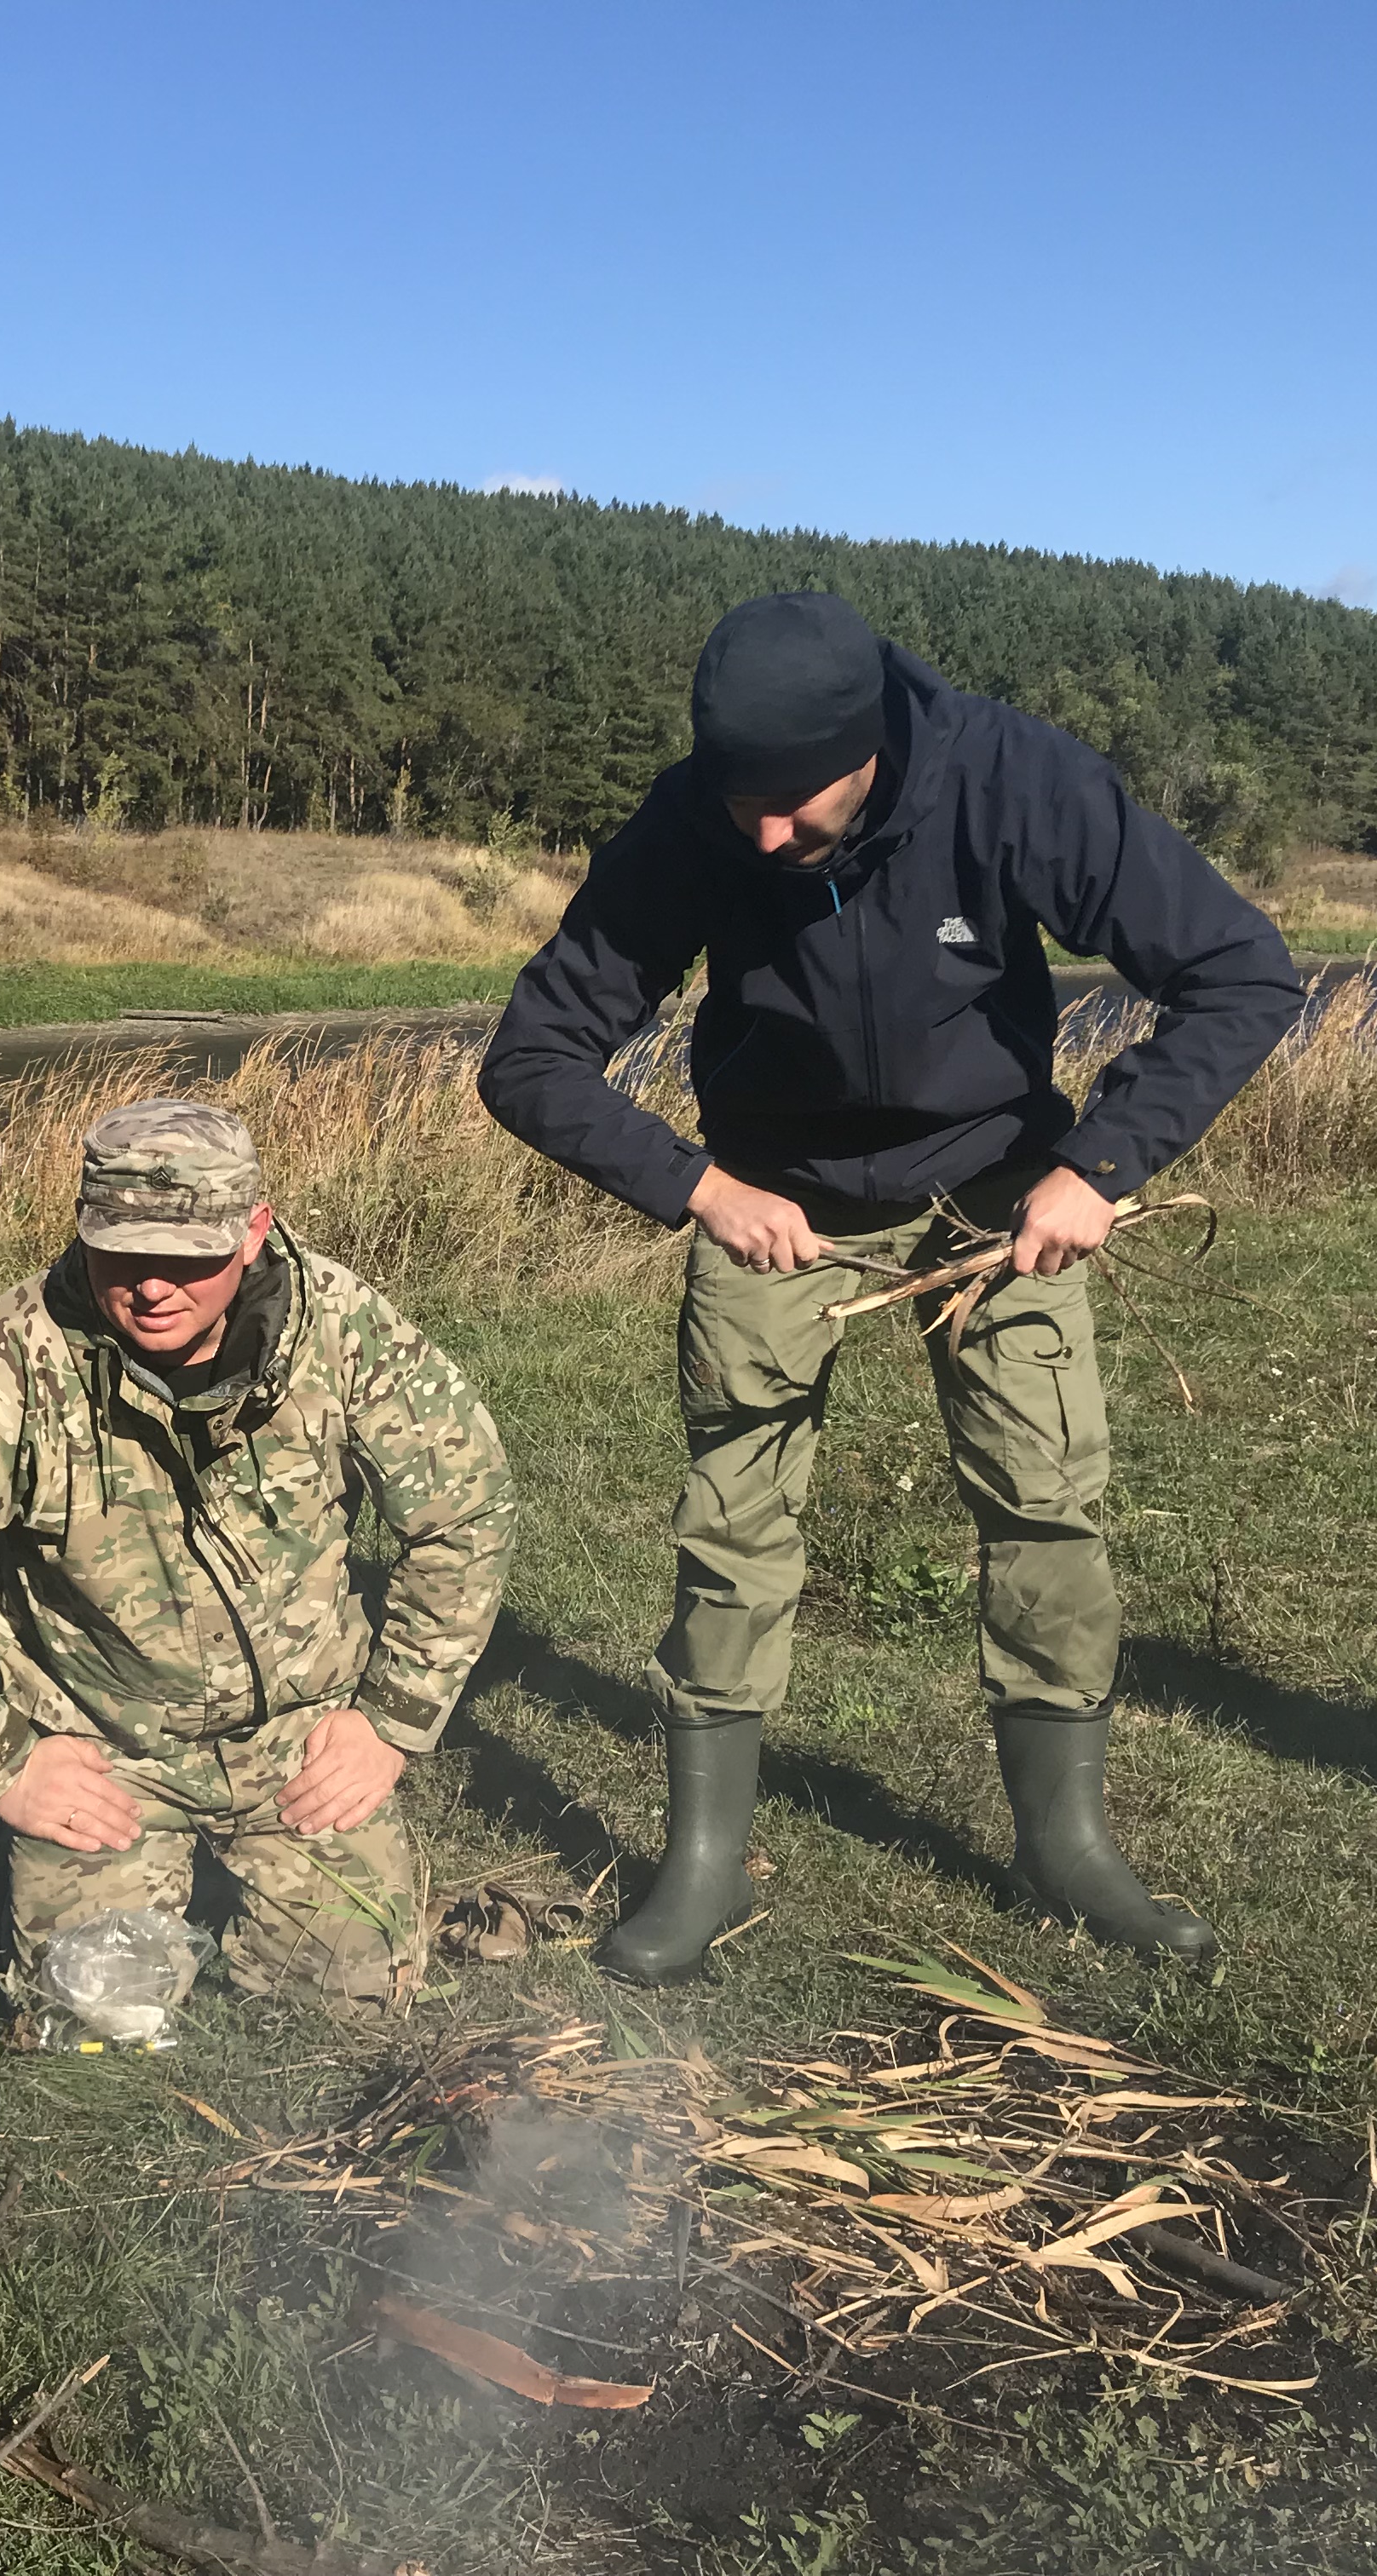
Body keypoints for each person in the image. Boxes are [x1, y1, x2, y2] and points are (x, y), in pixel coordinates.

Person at [480, 593, 1302, 1983]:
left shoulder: (1013, 778)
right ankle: (698, 1864)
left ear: (868, 748)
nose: (760, 835)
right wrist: (700, 1188)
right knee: (732, 1519)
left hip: (999, 1191)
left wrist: (1097, 1165)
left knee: (1045, 1502)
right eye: (737, 801)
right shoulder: (695, 819)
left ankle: (1068, 1844)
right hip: (771, 1200)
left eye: (791, 804)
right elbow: (532, 1058)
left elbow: (1238, 972)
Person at [0, 1099, 511, 2016]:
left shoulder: (344, 1330)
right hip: (105, 1748)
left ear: (253, 1233)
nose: (154, 1287)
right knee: (95, 2018)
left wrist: (390, 1720)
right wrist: (0, 1761)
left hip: (297, 1740)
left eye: (188, 1257)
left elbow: (467, 1511)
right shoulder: (10, 1362)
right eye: (123, 1253)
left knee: (356, 1997)